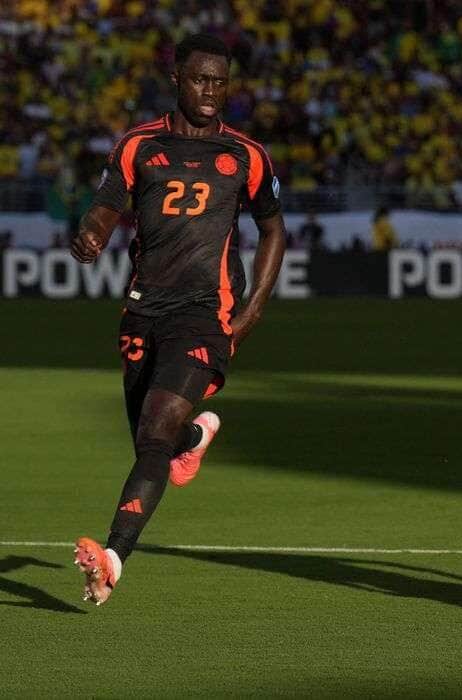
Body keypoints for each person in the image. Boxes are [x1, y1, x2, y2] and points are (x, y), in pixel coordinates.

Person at [69, 33, 287, 605]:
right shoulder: (138, 146)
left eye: (220, 81)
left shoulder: (247, 155)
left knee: (152, 434)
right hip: (144, 309)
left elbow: (273, 228)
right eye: (200, 79)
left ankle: (112, 559)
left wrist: (255, 305)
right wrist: (92, 231)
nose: (211, 90)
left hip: (204, 314)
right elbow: (105, 205)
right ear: (177, 79)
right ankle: (196, 435)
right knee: (153, 439)